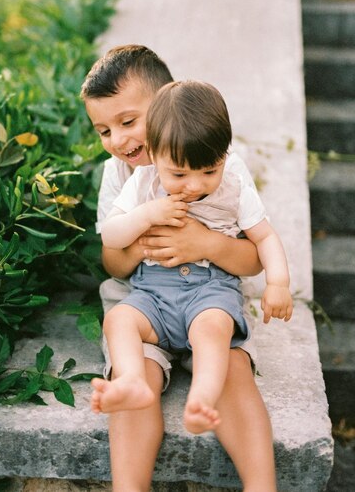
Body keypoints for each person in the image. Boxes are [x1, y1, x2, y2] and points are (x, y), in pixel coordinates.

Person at [81, 45, 283, 492]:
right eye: (104, 130)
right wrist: (146, 232)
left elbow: (253, 256)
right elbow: (113, 262)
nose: (118, 140)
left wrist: (204, 243)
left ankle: (261, 484)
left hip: (207, 295)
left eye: (128, 122)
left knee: (229, 368)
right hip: (144, 298)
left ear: (166, 103)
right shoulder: (119, 175)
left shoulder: (215, 165)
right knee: (135, 378)